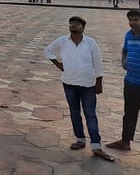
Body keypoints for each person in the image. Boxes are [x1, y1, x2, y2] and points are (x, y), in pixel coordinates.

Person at [44, 16, 114, 162]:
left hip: (87, 84)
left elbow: (98, 62)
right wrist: (57, 64)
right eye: (71, 23)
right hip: (69, 82)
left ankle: (96, 145)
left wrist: (99, 80)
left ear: (83, 27)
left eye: (77, 24)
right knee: (75, 112)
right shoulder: (63, 41)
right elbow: (48, 51)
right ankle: (80, 139)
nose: (74, 26)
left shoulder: (90, 43)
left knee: (90, 114)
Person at [106, 10, 140, 151]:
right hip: (131, 82)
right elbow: (125, 50)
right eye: (130, 20)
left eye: (136, 20)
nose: (133, 23)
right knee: (129, 113)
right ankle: (125, 141)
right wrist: (123, 61)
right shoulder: (128, 35)